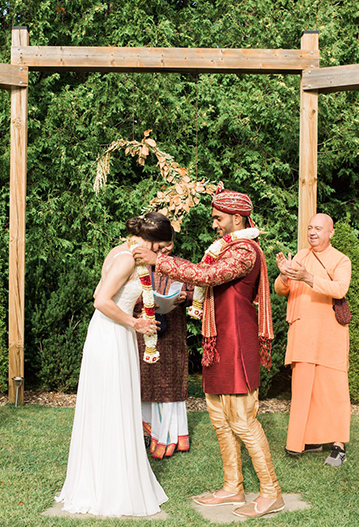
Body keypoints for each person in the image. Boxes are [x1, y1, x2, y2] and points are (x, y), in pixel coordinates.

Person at [133, 186, 282, 519]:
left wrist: (159, 260)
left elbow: (209, 276)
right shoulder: (226, 248)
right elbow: (204, 278)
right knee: (220, 420)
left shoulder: (245, 251)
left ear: (236, 217)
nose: (214, 224)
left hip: (237, 345)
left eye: (218, 218)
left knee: (243, 422)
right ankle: (233, 487)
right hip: (219, 342)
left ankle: (272, 492)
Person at [56, 212, 171, 517]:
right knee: (111, 404)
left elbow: (101, 293)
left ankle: (112, 476)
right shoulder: (127, 259)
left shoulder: (121, 250)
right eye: (163, 248)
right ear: (155, 243)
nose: (162, 255)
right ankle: (109, 486)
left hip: (112, 333)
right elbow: (100, 300)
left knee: (113, 404)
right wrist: (135, 322)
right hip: (111, 335)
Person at [274, 213, 352, 467]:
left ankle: (338, 445)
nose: (312, 232)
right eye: (309, 228)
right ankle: (306, 439)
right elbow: (281, 290)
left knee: (333, 389)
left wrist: (308, 277)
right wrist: (285, 275)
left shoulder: (341, 259)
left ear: (331, 233)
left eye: (318, 228)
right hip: (303, 332)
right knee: (304, 388)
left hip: (329, 333)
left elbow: (340, 289)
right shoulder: (301, 256)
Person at [135, 249, 195, 459]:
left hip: (173, 332)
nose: (164, 249)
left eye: (168, 243)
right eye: (159, 245)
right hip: (142, 330)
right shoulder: (137, 265)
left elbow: (199, 292)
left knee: (170, 379)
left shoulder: (180, 264)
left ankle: (168, 435)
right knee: (143, 380)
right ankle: (143, 432)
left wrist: (185, 296)